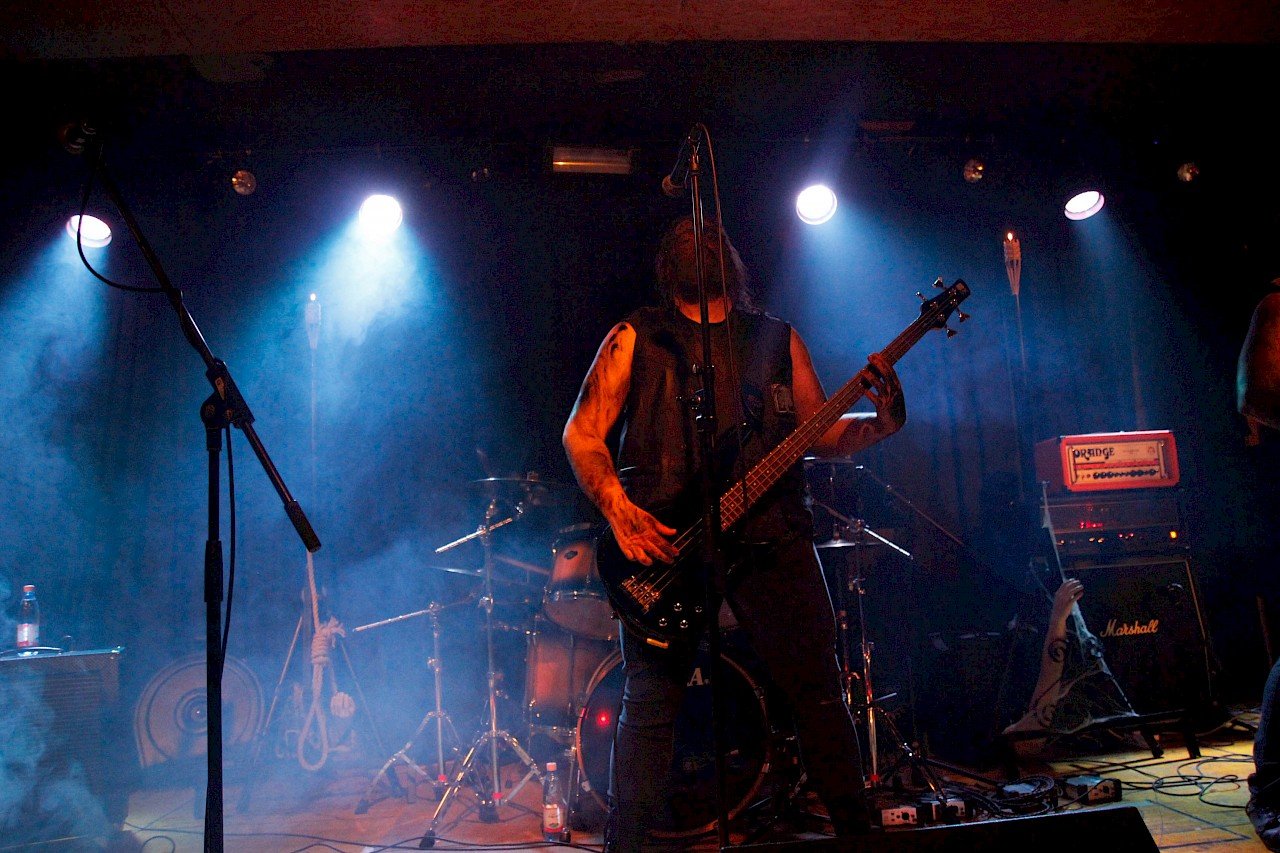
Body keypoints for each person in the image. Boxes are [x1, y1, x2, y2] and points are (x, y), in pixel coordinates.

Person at [562, 214, 907, 851]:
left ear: (730, 255)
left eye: (708, 233)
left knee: (818, 694)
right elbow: (582, 432)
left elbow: (819, 432)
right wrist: (617, 508)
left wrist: (880, 424)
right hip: (666, 544)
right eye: (682, 234)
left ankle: (856, 834)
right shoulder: (637, 335)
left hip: (774, 537)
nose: (696, 239)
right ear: (665, 261)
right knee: (649, 707)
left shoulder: (776, 340)